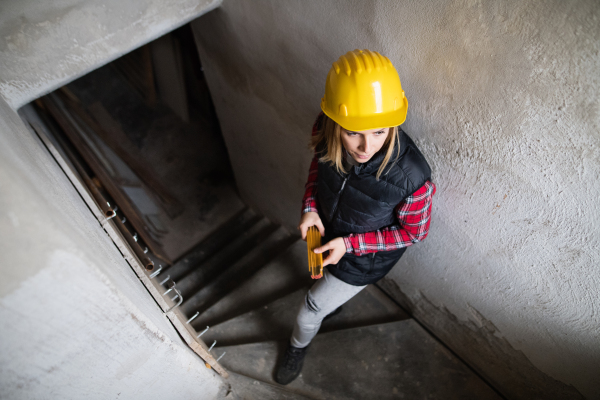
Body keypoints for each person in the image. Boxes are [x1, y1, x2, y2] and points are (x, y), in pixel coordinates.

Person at [274, 49, 436, 385]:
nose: (366, 146)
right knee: (322, 291)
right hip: (329, 233)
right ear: (335, 122)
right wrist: (309, 208)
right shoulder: (326, 128)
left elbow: (413, 233)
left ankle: (296, 346)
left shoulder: (413, 176)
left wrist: (349, 246)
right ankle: (330, 311)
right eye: (353, 132)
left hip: (363, 259)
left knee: (311, 307)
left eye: (379, 132)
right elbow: (317, 171)